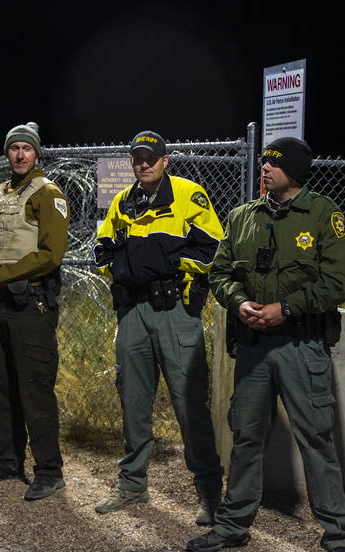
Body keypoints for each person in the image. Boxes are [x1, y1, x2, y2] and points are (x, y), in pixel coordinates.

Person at [186, 137, 345, 552]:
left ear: (295, 173)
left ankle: (338, 538)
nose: (264, 168)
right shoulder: (243, 217)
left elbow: (342, 281)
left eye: (274, 163)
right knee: (245, 436)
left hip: (300, 347)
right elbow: (220, 272)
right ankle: (233, 525)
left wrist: (287, 307)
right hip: (254, 347)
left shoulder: (323, 215)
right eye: (263, 161)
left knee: (316, 441)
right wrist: (238, 302)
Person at [91, 130, 224, 524]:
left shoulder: (188, 194)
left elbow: (214, 248)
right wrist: (116, 268)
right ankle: (132, 485)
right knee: (132, 401)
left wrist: (172, 267)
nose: (143, 164)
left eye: (150, 158)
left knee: (188, 405)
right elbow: (102, 244)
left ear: (166, 160)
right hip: (133, 312)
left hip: (174, 312)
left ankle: (209, 493)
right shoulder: (122, 200)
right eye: (137, 158)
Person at [0, 122, 69, 501]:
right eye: (14, 149)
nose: (20, 154)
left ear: (36, 153)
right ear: (7, 153)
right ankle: (7, 460)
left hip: (31, 306)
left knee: (34, 389)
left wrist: (1, 276)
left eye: (27, 148)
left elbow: (50, 255)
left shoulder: (48, 194)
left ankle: (49, 470)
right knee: (1, 386)